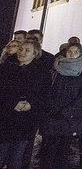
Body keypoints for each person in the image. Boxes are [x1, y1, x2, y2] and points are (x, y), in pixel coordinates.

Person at [40, 42, 82, 169]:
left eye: (75, 52)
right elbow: (47, 89)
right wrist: (52, 107)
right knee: (49, 149)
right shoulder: (56, 68)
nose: (72, 54)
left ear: (80, 54)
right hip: (53, 114)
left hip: (70, 117)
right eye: (70, 52)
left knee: (63, 151)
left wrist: (67, 111)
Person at [0, 39, 49, 169]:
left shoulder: (41, 73)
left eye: (27, 50)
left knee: (16, 158)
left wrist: (31, 104)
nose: (22, 52)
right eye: (21, 49)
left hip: (25, 122)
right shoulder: (7, 68)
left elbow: (44, 95)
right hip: (5, 118)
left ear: (34, 54)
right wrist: (12, 104)